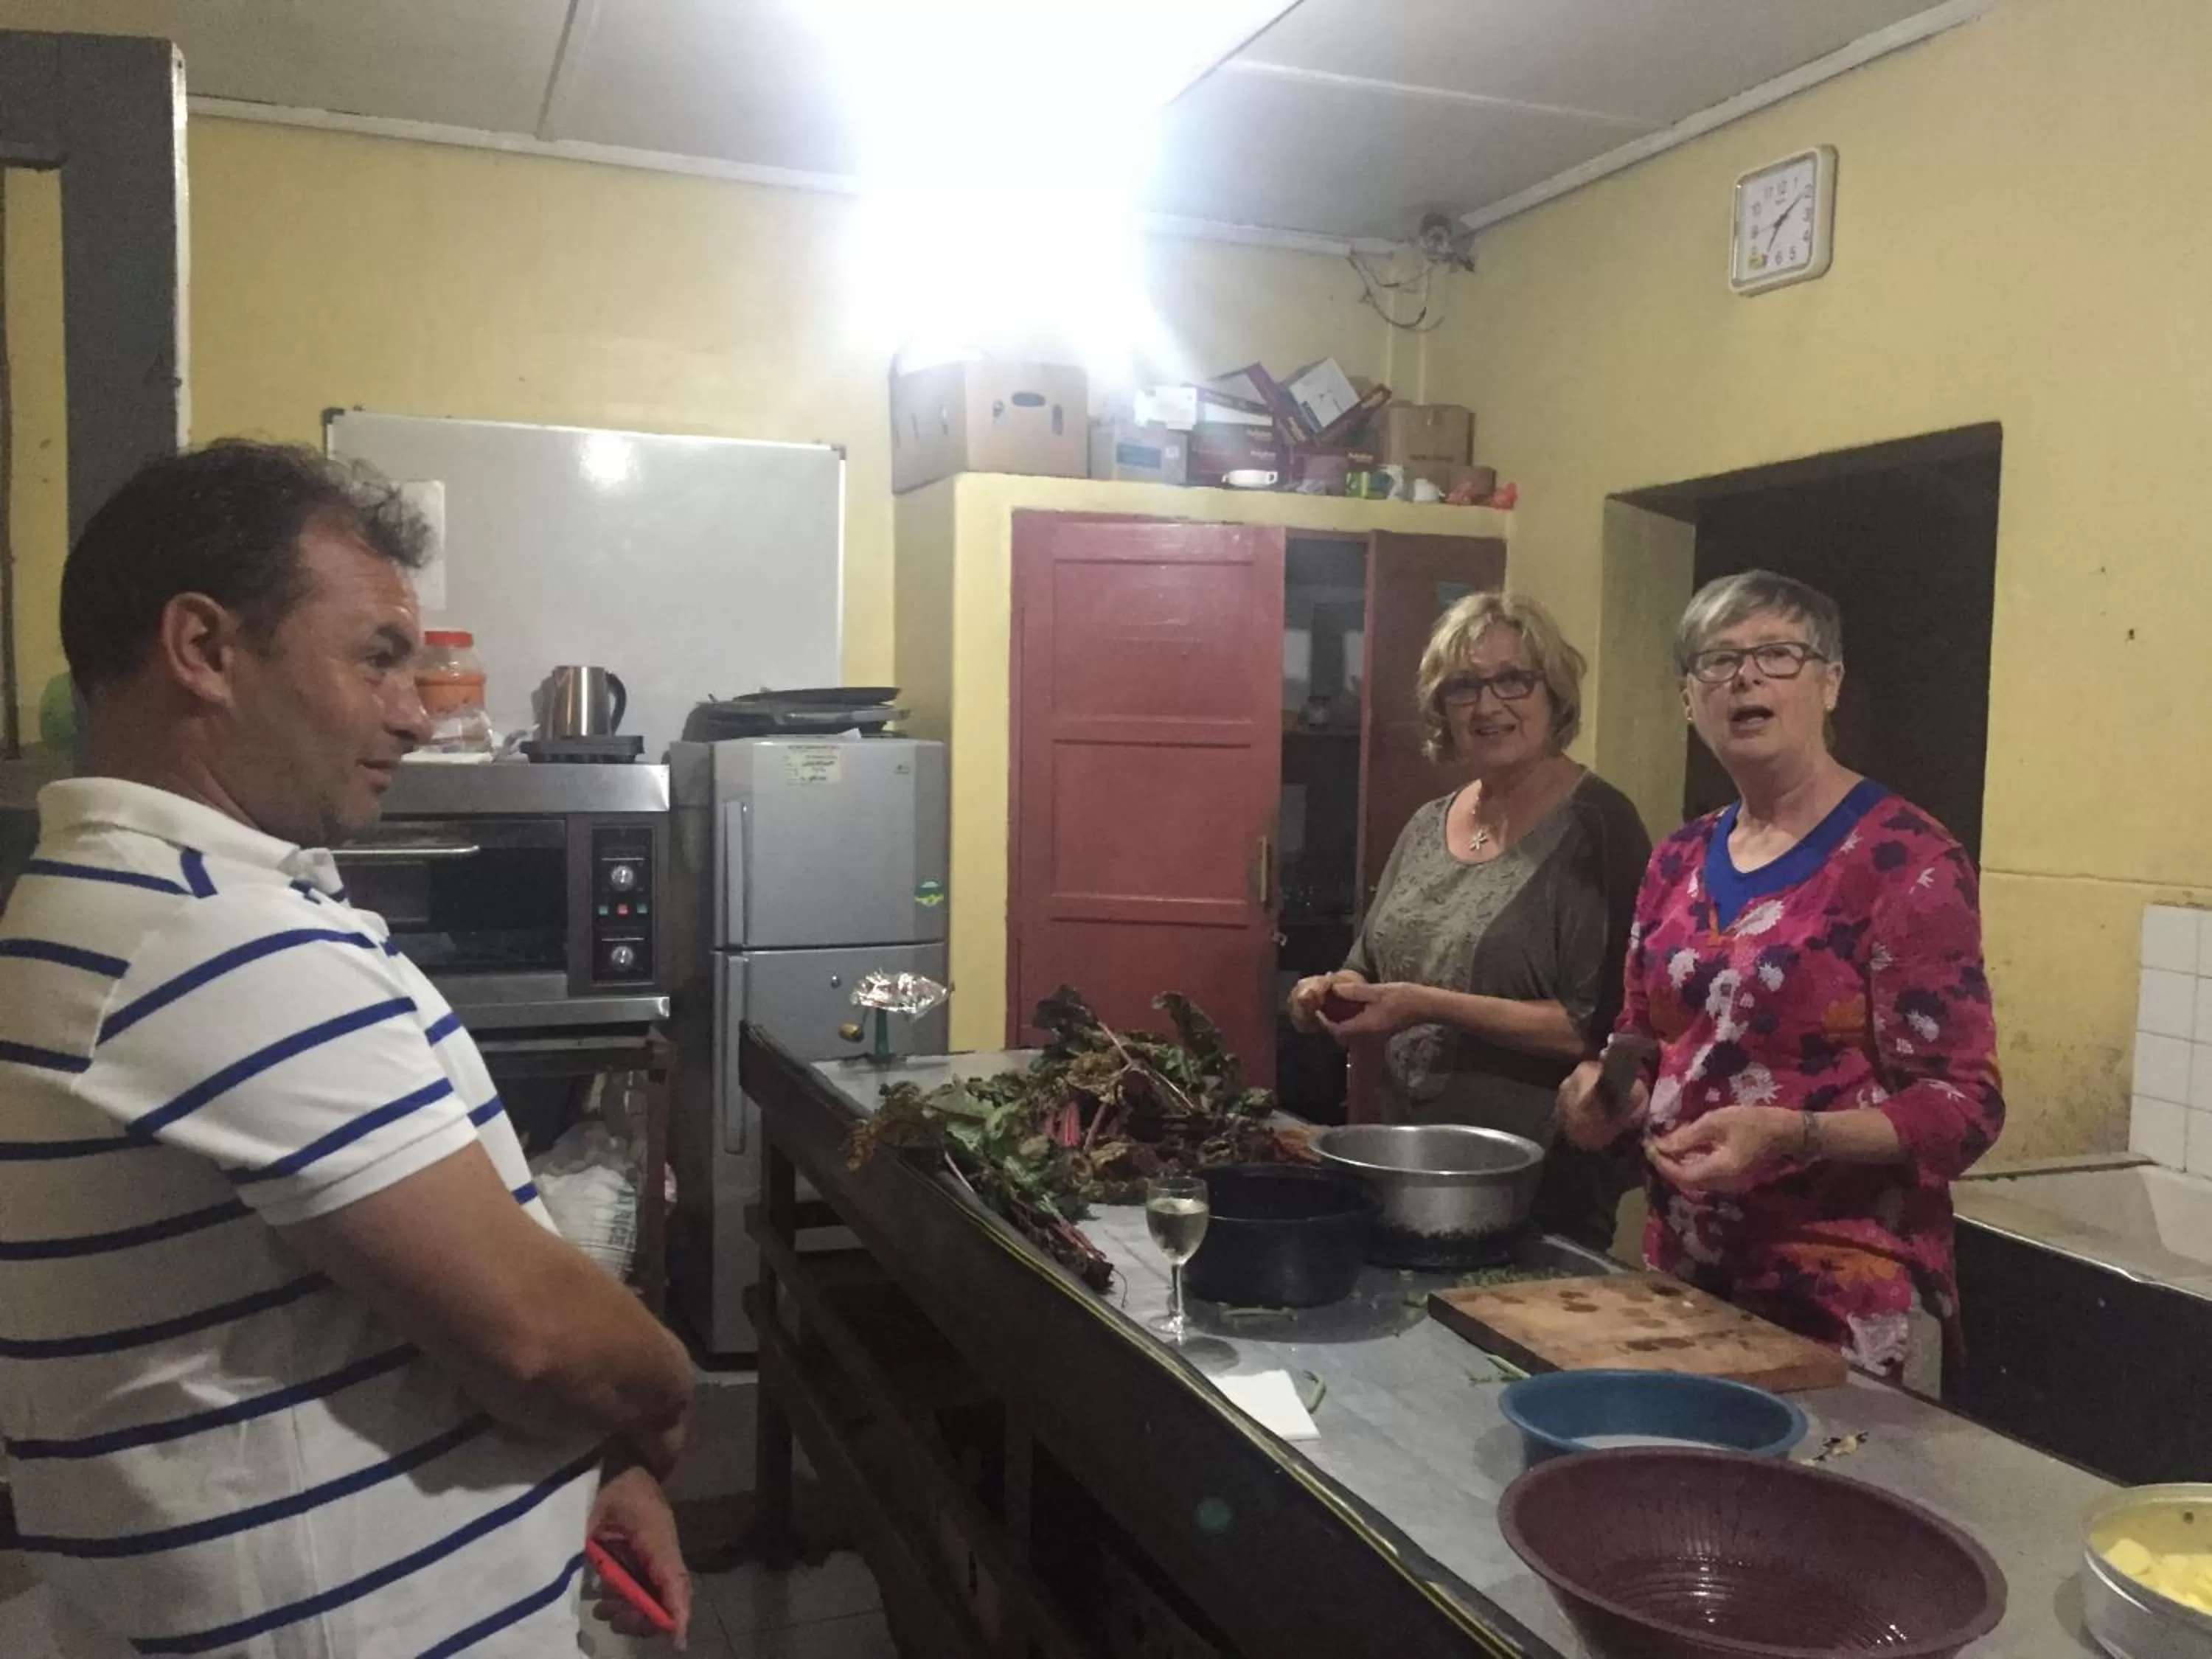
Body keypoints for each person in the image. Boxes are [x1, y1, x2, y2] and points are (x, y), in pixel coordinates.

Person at [0, 442, 698, 1655]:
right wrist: (657, 1409)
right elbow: (540, 1339)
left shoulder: (124, 900)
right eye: (379, 657)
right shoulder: (203, 936)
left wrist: (587, 1476)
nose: (417, 717)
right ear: (205, 650)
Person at [1557, 570, 2005, 1389]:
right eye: (1717, 662)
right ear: (1688, 700)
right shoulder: (1679, 858)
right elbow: (1641, 1038)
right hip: (1684, 1279)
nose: (1745, 678)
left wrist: (1794, 1135)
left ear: (1830, 684)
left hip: (1840, 1302)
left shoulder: (1904, 862)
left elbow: (1962, 1109)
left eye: (1778, 655)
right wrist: (1599, 1092)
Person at [1287, 591, 1651, 1248]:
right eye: (1464, 687)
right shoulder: (1429, 823)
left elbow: (1592, 1028)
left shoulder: (1600, 826)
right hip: (1404, 1171)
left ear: (1553, 692)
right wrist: (1327, 992)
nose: (1488, 706)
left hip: (1533, 1194)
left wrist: (1424, 1004)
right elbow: (1368, 961)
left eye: (1513, 679)